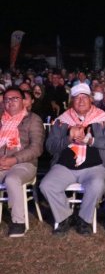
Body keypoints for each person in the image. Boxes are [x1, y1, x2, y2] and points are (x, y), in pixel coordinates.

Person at [40, 84, 105, 235]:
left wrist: (91, 141)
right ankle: (65, 217)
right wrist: (68, 137)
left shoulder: (103, 119)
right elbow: (50, 146)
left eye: (84, 97)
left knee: (97, 185)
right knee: (46, 185)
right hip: (65, 166)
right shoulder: (62, 121)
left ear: (91, 100)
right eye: (77, 98)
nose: (81, 101)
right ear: (72, 101)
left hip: (95, 166)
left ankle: (84, 220)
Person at [0, 87, 45, 237]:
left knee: (12, 179)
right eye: (7, 99)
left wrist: (14, 159)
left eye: (15, 99)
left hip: (24, 164)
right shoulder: (1, 119)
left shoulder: (33, 119)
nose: (10, 102)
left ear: (23, 101)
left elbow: (36, 148)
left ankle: (18, 222)